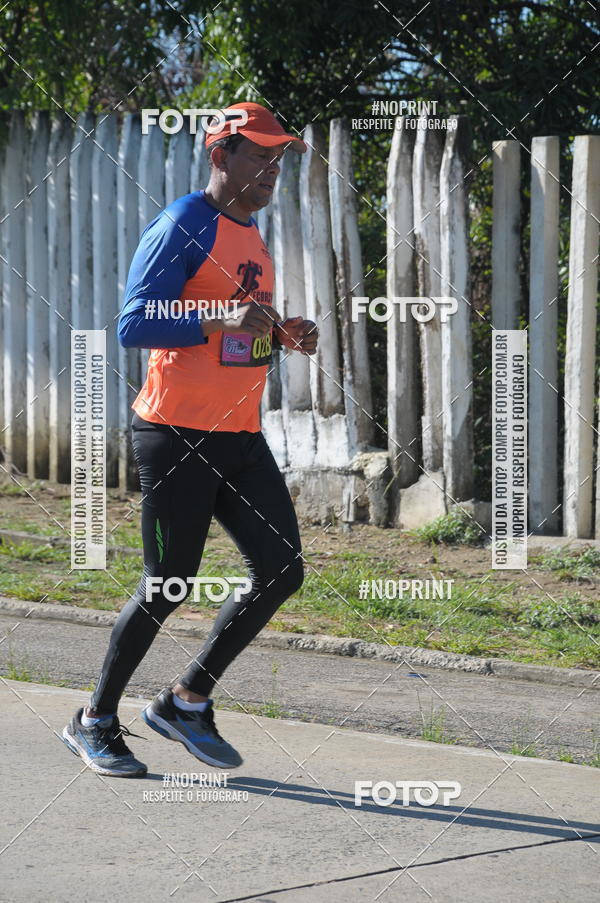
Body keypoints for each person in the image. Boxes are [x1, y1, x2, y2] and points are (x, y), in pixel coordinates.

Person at [62, 101, 318, 777]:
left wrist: (279, 334)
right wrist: (218, 314)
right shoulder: (183, 222)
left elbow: (235, 335)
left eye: (278, 158)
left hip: (238, 431)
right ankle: (93, 719)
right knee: (169, 583)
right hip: (175, 433)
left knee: (282, 568)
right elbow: (134, 322)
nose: (270, 170)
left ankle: (186, 700)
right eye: (258, 155)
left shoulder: (253, 235)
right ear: (220, 155)